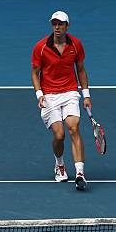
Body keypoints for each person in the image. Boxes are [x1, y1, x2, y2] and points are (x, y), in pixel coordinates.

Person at [31, 10, 92, 191]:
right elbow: (35, 73)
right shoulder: (40, 47)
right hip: (49, 96)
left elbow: (80, 69)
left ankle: (80, 173)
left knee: (74, 128)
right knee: (59, 135)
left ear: (67, 26)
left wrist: (86, 95)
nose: (57, 27)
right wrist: (39, 94)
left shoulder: (76, 45)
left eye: (60, 24)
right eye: (54, 24)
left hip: (70, 92)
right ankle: (59, 164)